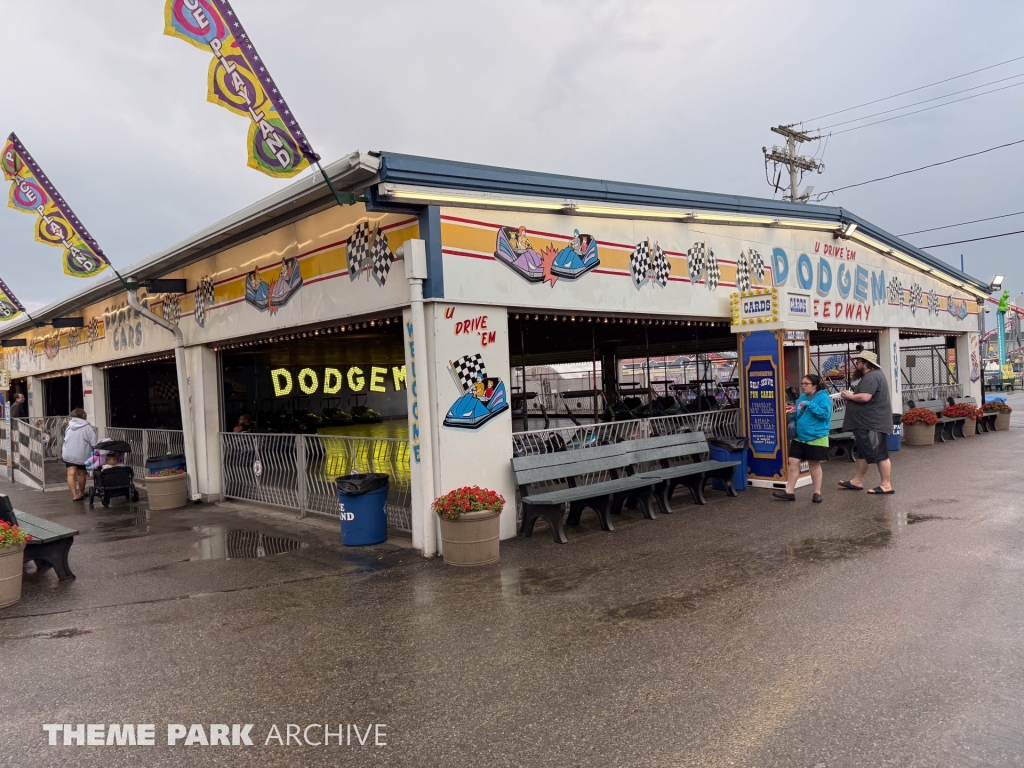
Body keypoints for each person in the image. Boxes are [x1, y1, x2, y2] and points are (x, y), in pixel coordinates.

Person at [838, 350, 894, 494]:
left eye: (858, 362)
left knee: (880, 454)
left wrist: (849, 396)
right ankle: (857, 481)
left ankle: (886, 485)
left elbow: (865, 397)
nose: (856, 365)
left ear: (866, 364)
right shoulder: (874, 376)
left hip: (872, 424)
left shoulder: (871, 377)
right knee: (863, 453)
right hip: (866, 424)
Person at [774, 374, 833, 503]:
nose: (803, 386)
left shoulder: (823, 397)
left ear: (815, 385)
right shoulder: (802, 397)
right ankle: (789, 491)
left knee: (814, 464)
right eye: (802, 384)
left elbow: (825, 415)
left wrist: (810, 405)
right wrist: (793, 414)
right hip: (800, 436)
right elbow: (800, 415)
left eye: (806, 384)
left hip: (816, 436)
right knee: (793, 461)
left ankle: (817, 492)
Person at [62, 408, 97, 501]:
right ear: (83, 415)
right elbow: (94, 442)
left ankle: (75, 495)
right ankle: (82, 493)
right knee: (81, 474)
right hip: (81, 454)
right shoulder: (87, 427)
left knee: (70, 474)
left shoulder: (69, 426)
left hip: (68, 453)